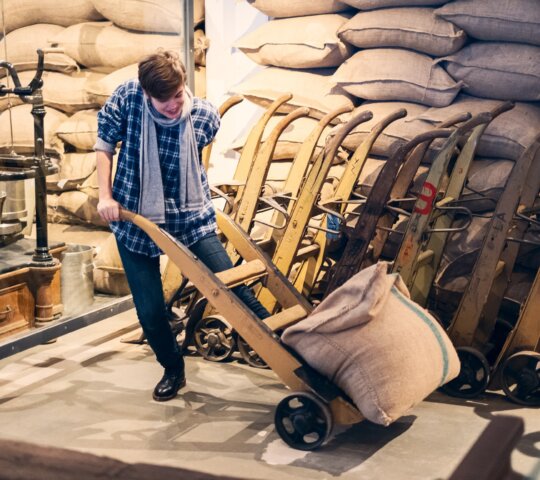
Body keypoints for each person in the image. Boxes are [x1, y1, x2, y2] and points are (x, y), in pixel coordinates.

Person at [95, 50, 269, 402]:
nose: (173, 105)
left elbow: (193, 159)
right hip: (137, 218)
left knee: (233, 284)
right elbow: (103, 146)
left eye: (177, 95)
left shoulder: (203, 115)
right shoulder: (127, 99)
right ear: (147, 94)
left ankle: (291, 345)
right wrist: (105, 197)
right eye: (164, 100)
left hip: (189, 216)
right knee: (150, 310)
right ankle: (173, 368)